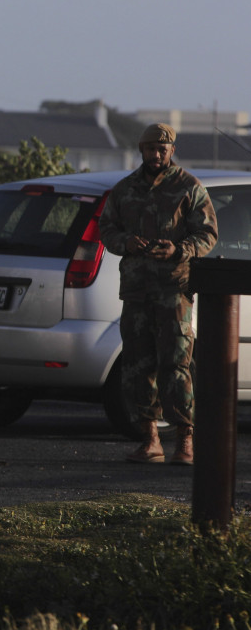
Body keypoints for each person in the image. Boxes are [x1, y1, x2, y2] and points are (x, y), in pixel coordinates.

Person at [98, 123, 218, 466]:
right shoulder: (124, 189)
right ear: (142, 150)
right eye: (151, 149)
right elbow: (107, 228)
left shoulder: (188, 187)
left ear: (172, 150)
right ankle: (150, 440)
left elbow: (208, 234)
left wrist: (179, 249)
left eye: (162, 149)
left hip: (174, 292)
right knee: (138, 365)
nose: (156, 155)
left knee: (176, 365)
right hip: (136, 291)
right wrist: (125, 243)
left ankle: (185, 442)